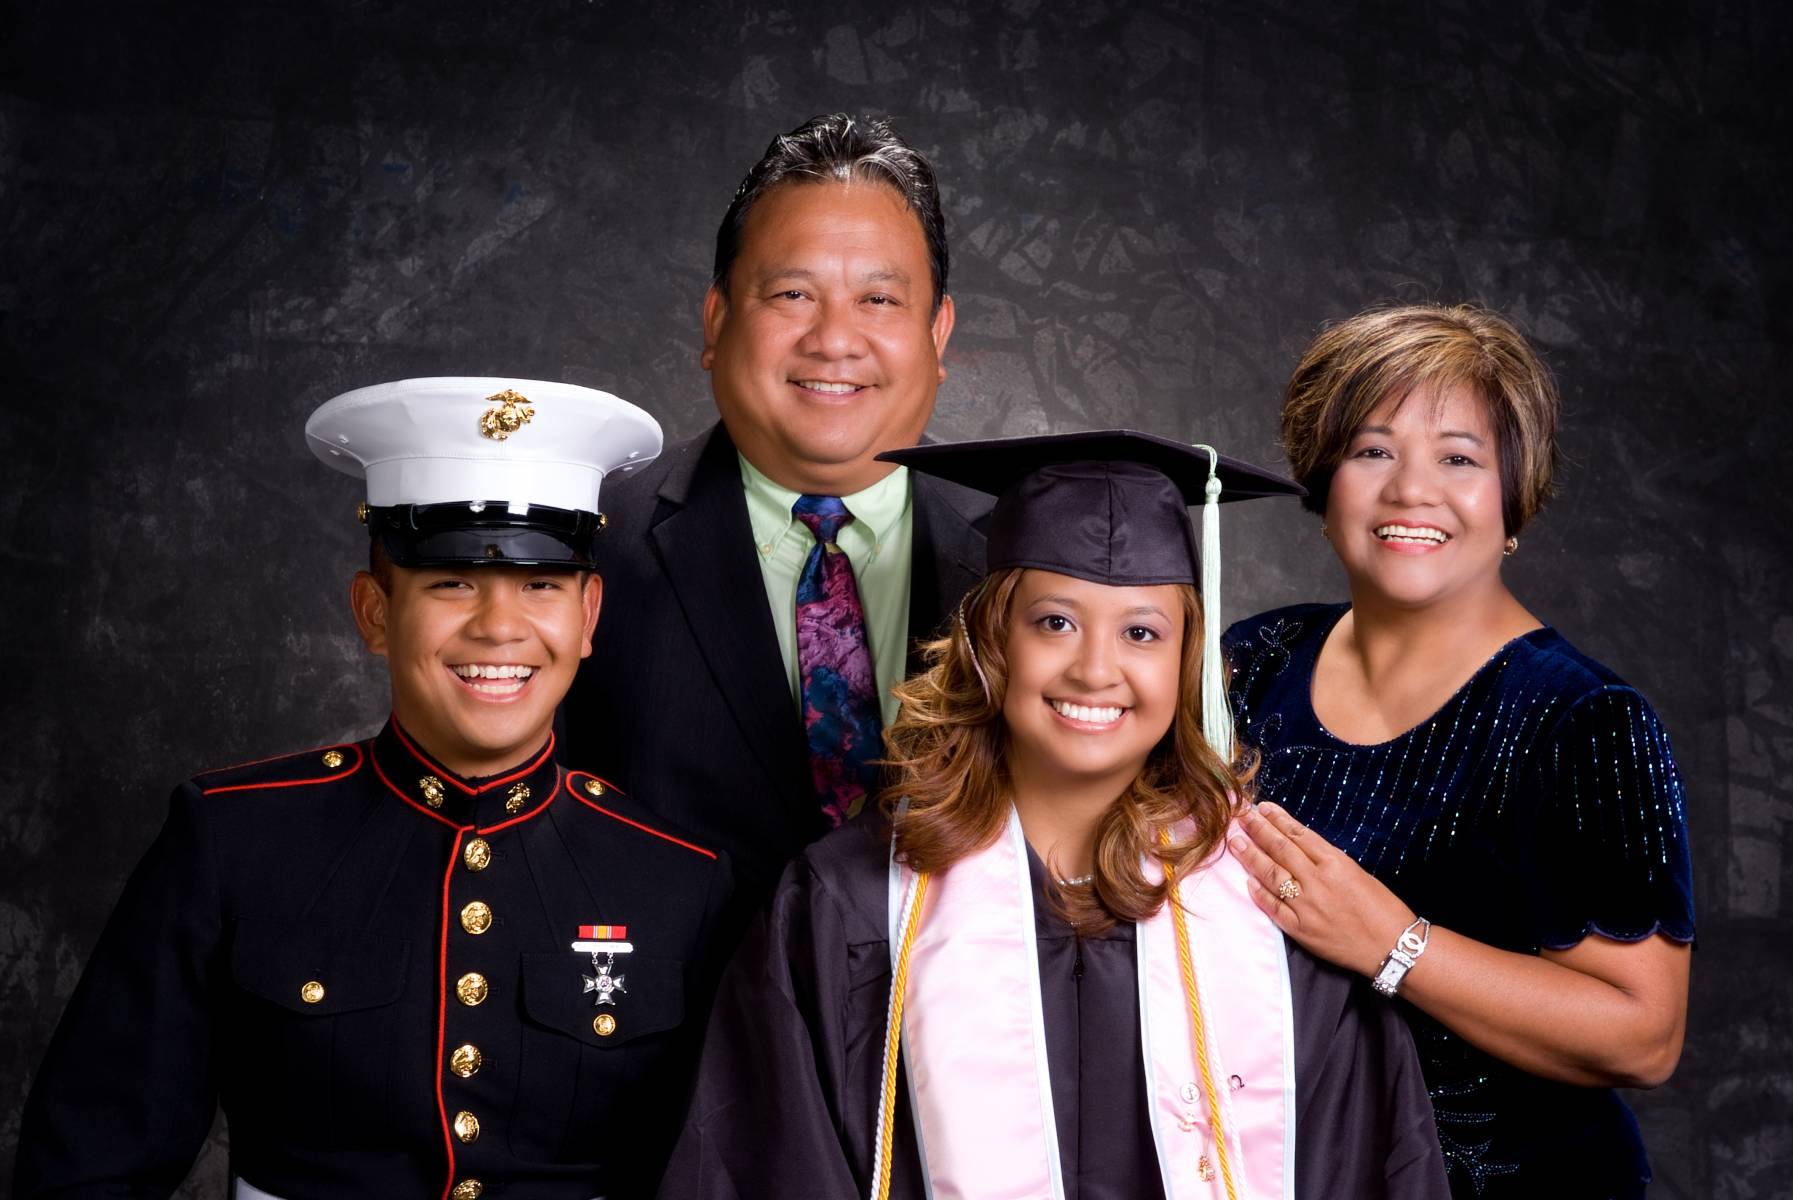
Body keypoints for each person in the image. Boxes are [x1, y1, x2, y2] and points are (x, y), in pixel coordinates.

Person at [661, 430, 1451, 1200]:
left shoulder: (1269, 901)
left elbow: (1366, 1157)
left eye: (1141, 632)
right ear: (989, 642)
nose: (1095, 668)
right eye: (1054, 622)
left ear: (1188, 665)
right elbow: (765, 1159)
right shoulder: (848, 904)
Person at [15, 378, 732, 1199]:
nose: (500, 627)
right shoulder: (233, 840)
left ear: (589, 615)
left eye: (541, 584)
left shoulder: (676, 876)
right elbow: (91, 1167)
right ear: (373, 612)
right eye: (450, 583)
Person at [1224, 304, 1695, 1198]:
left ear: (1511, 499)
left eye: (1458, 458)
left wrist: (1389, 942)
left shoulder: (1582, 721)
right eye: (1371, 451)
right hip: (1304, 1168)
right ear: (1323, 488)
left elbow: (1643, 1035)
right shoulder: (1252, 663)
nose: (1411, 490)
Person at [562, 114, 988, 921]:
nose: (834, 340)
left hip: (956, 1039)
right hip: (677, 1036)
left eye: (878, 298)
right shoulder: (586, 543)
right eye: (792, 294)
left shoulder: (1033, 556)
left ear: (938, 334)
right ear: (716, 322)